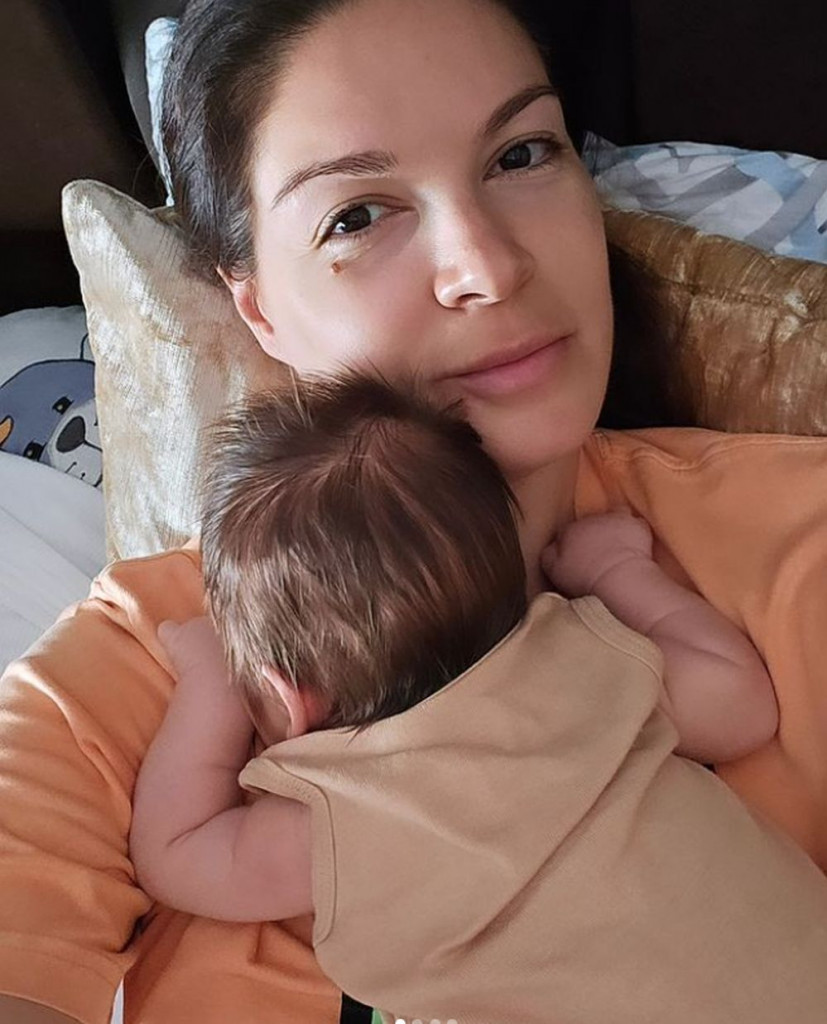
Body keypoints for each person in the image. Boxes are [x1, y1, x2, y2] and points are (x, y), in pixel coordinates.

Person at [2, 0, 827, 1021]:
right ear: (256, 307)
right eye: (355, 216)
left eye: (521, 154)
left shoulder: (796, 536)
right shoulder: (123, 670)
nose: (488, 266)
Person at [128, 373, 827, 1024]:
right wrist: (618, 572)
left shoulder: (337, 818)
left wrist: (209, 687)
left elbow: (175, 853)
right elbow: (740, 706)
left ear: (288, 698)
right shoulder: (582, 662)